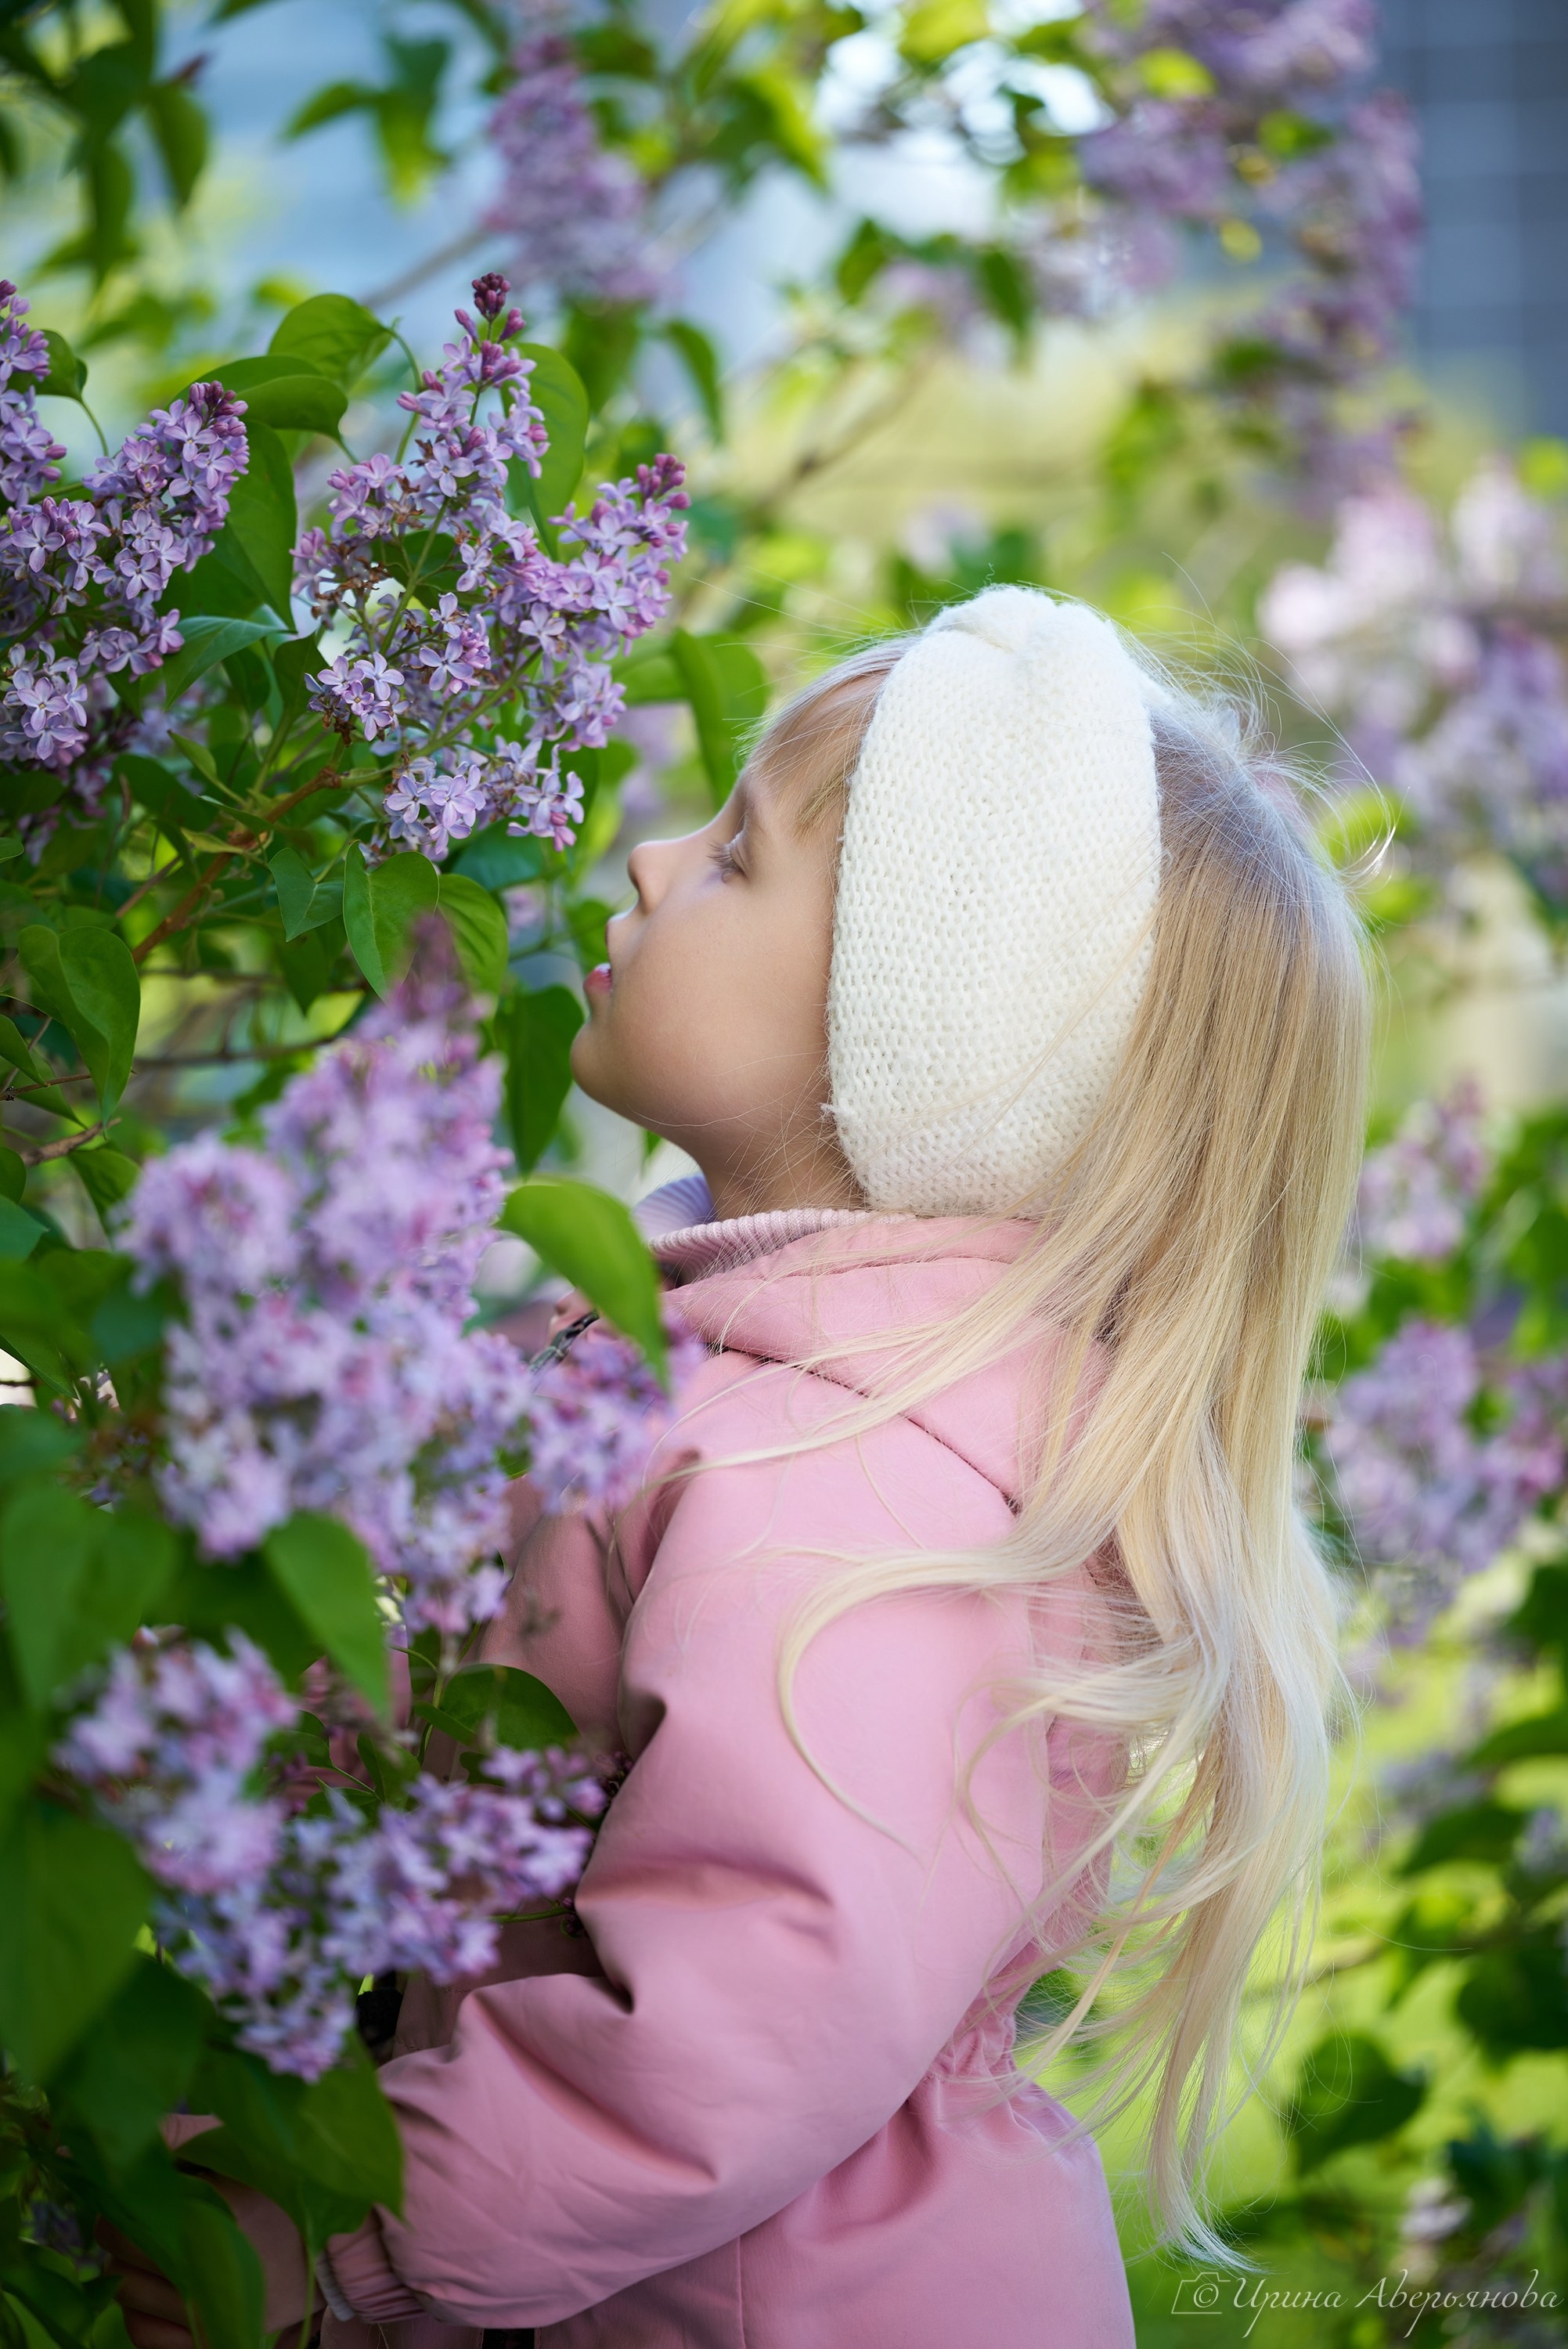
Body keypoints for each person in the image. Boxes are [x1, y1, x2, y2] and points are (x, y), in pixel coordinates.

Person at [111, 586, 1368, 2349]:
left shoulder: (860, 1481)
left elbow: (708, 2057)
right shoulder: (732, 1365)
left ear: (911, 1044)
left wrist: (301, 2229)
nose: (642, 858)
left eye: (735, 856)